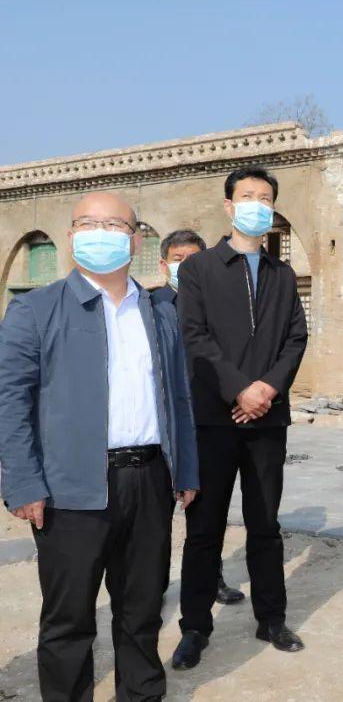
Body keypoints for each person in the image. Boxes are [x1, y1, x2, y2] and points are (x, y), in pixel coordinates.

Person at [0, 192, 198, 702]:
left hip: (149, 480)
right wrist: (23, 482)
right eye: (89, 223)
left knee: (142, 608)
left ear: (135, 241)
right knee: (69, 619)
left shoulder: (159, 312)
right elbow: (9, 402)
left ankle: (142, 694)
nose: (101, 234)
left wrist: (186, 470)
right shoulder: (34, 310)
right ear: (71, 237)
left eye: (115, 225)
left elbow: (178, 396)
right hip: (69, 490)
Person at [172, 166, 308, 669]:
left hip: (267, 421)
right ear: (229, 206)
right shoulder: (199, 269)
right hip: (213, 419)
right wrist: (239, 389)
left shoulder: (282, 274)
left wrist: (266, 389)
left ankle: (271, 618)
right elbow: (195, 337)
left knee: (265, 524)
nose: (257, 204)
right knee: (204, 529)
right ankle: (194, 627)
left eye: (265, 198)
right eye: (248, 196)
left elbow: (296, 337)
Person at [152, 229, 246, 607]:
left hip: (205, 423)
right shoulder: (151, 306)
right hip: (164, 426)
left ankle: (211, 578)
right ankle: (154, 584)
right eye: (179, 259)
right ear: (164, 265)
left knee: (207, 512)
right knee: (157, 514)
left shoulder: (217, 306)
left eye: (194, 259)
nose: (187, 266)